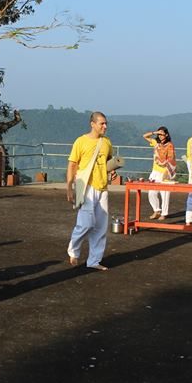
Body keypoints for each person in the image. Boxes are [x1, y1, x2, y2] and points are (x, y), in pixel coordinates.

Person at [66, 111, 114, 269]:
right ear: (92, 124)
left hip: (103, 187)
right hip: (85, 186)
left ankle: (94, 261)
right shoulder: (81, 141)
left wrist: (113, 170)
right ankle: (73, 250)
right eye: (102, 123)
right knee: (86, 223)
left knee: (100, 227)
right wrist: (69, 187)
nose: (105, 126)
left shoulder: (106, 142)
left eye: (106, 123)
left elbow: (108, 161)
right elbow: (72, 165)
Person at [143, 127, 175, 220]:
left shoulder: (169, 145)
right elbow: (144, 136)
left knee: (164, 193)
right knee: (151, 192)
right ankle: (156, 210)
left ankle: (164, 213)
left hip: (164, 171)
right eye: (159, 134)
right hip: (155, 171)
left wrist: (167, 172)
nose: (160, 136)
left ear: (167, 135)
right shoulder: (156, 143)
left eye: (162, 134)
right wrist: (155, 132)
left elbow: (171, 158)